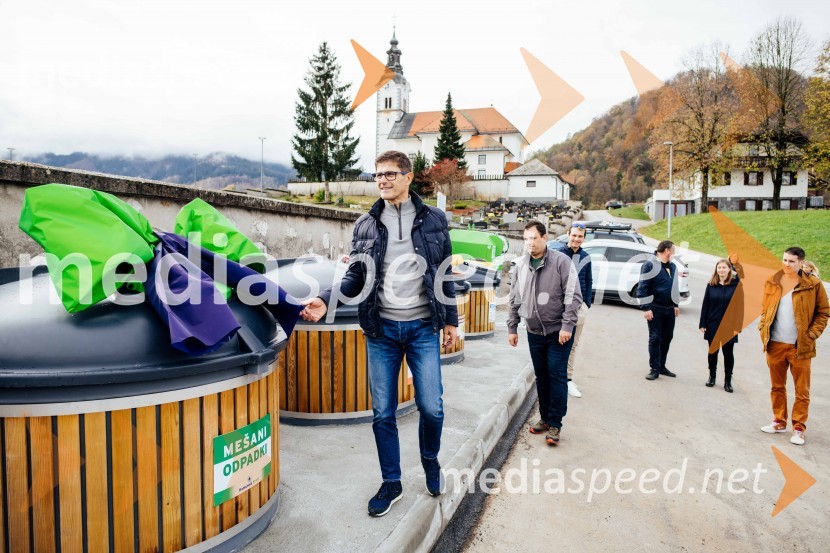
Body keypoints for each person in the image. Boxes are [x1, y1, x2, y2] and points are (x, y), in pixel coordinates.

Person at [300, 150, 458, 516]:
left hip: (422, 328)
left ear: (408, 176)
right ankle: (392, 482)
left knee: (431, 408)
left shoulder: (434, 220)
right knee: (383, 413)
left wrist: (451, 320)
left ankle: (430, 461)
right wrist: (327, 299)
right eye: (377, 175)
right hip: (382, 331)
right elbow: (357, 275)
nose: (382, 180)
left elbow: (444, 273)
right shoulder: (365, 224)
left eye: (389, 173)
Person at [508, 221, 582, 446]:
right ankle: (545, 418)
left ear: (544, 238)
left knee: (556, 375)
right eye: (526, 238)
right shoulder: (520, 265)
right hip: (534, 332)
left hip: (558, 331)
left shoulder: (561, 262)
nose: (530, 243)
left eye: (534, 238)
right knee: (541, 376)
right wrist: (512, 327)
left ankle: (556, 424)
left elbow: (573, 296)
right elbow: (514, 298)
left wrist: (567, 326)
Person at [759, 247, 829, 445]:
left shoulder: (813, 284)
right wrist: (763, 327)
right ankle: (778, 421)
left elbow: (824, 312)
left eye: (791, 261)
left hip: (800, 347)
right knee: (777, 386)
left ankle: (798, 428)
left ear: (800, 263)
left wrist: (811, 335)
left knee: (802, 391)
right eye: (784, 260)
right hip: (775, 344)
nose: (786, 264)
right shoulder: (773, 281)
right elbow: (765, 309)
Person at [550, 221, 593, 398]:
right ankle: (554, 379)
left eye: (580, 236)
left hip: (579, 307)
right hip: (560, 307)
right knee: (557, 343)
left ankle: (567, 379)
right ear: (568, 234)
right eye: (574, 235)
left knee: (573, 345)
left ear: (584, 238)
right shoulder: (557, 254)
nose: (576, 239)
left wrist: (587, 302)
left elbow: (589, 281)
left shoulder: (586, 257)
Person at [699, 257, 744, 392]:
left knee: (728, 354)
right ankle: (712, 377)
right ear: (716, 270)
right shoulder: (711, 285)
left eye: (724, 267)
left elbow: (740, 307)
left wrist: (738, 326)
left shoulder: (736, 285)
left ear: (730, 269)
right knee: (712, 352)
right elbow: (705, 304)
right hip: (712, 324)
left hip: (729, 326)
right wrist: (702, 323)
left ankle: (727, 381)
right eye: (719, 268)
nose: (721, 270)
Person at [638, 240, 680, 381]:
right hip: (655, 307)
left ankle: (662, 366)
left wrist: (675, 304)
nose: (674, 253)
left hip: (669, 309)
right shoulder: (650, 265)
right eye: (673, 250)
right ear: (667, 250)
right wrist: (646, 308)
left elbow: (674, 287)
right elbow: (643, 287)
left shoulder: (673, 267)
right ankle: (654, 368)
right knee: (655, 338)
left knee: (667, 337)